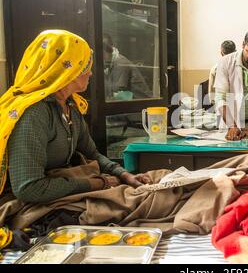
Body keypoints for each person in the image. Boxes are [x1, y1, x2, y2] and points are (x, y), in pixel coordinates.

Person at [0, 30, 150, 203]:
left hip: (60, 189)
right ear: (65, 70)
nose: (90, 73)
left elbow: (92, 153)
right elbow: (29, 189)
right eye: (85, 66)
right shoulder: (34, 113)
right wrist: (97, 183)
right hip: (29, 202)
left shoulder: (71, 105)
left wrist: (124, 175)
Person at [103, 33, 152, 101]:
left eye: (105, 49)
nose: (102, 55)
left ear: (112, 47)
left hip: (141, 105)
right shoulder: (110, 63)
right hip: (131, 103)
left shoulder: (121, 63)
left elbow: (116, 92)